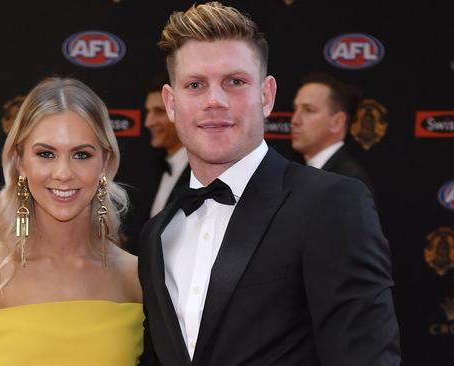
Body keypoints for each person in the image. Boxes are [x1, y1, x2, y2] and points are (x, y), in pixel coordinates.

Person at [138, 2, 401, 365]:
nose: (215, 100)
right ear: (171, 103)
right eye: (195, 85)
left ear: (266, 95)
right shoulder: (157, 235)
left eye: (235, 82)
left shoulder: (329, 203)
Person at [0, 77, 143, 366]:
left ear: (105, 162)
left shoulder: (135, 278)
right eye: (46, 154)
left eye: (81, 154)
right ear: (19, 161)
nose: (63, 173)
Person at [291, 72, 374, 193]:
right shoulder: (300, 175)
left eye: (309, 110)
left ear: (337, 122)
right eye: (295, 109)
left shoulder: (348, 182)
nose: (294, 120)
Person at [145, 71, 190, 218]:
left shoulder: (205, 173)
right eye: (148, 112)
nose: (148, 122)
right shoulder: (154, 168)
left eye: (159, 112)